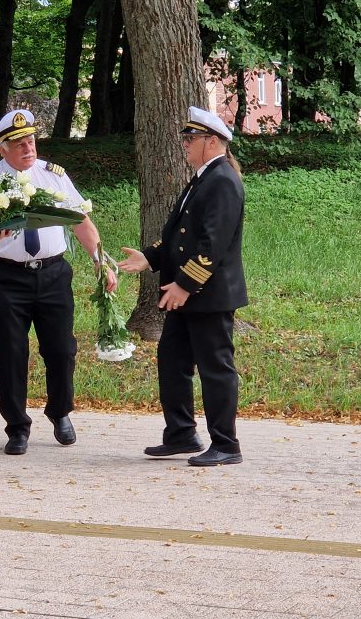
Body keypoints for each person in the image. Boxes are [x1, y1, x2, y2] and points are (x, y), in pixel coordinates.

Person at [0, 109, 117, 455]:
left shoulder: (53, 176)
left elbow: (81, 221)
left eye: (30, 140)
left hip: (53, 274)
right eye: (18, 143)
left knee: (61, 350)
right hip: (7, 279)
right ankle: (17, 427)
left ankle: (60, 413)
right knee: (12, 354)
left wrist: (101, 261)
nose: (27, 147)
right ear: (2, 149)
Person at [118, 106, 247, 466]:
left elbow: (212, 245)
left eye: (191, 139)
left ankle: (226, 444)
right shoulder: (204, 177)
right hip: (187, 294)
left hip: (208, 295)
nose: (185, 146)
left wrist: (184, 286)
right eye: (185, 139)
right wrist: (149, 257)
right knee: (172, 361)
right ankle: (181, 434)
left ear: (212, 141)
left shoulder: (222, 180)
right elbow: (178, 237)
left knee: (215, 367)